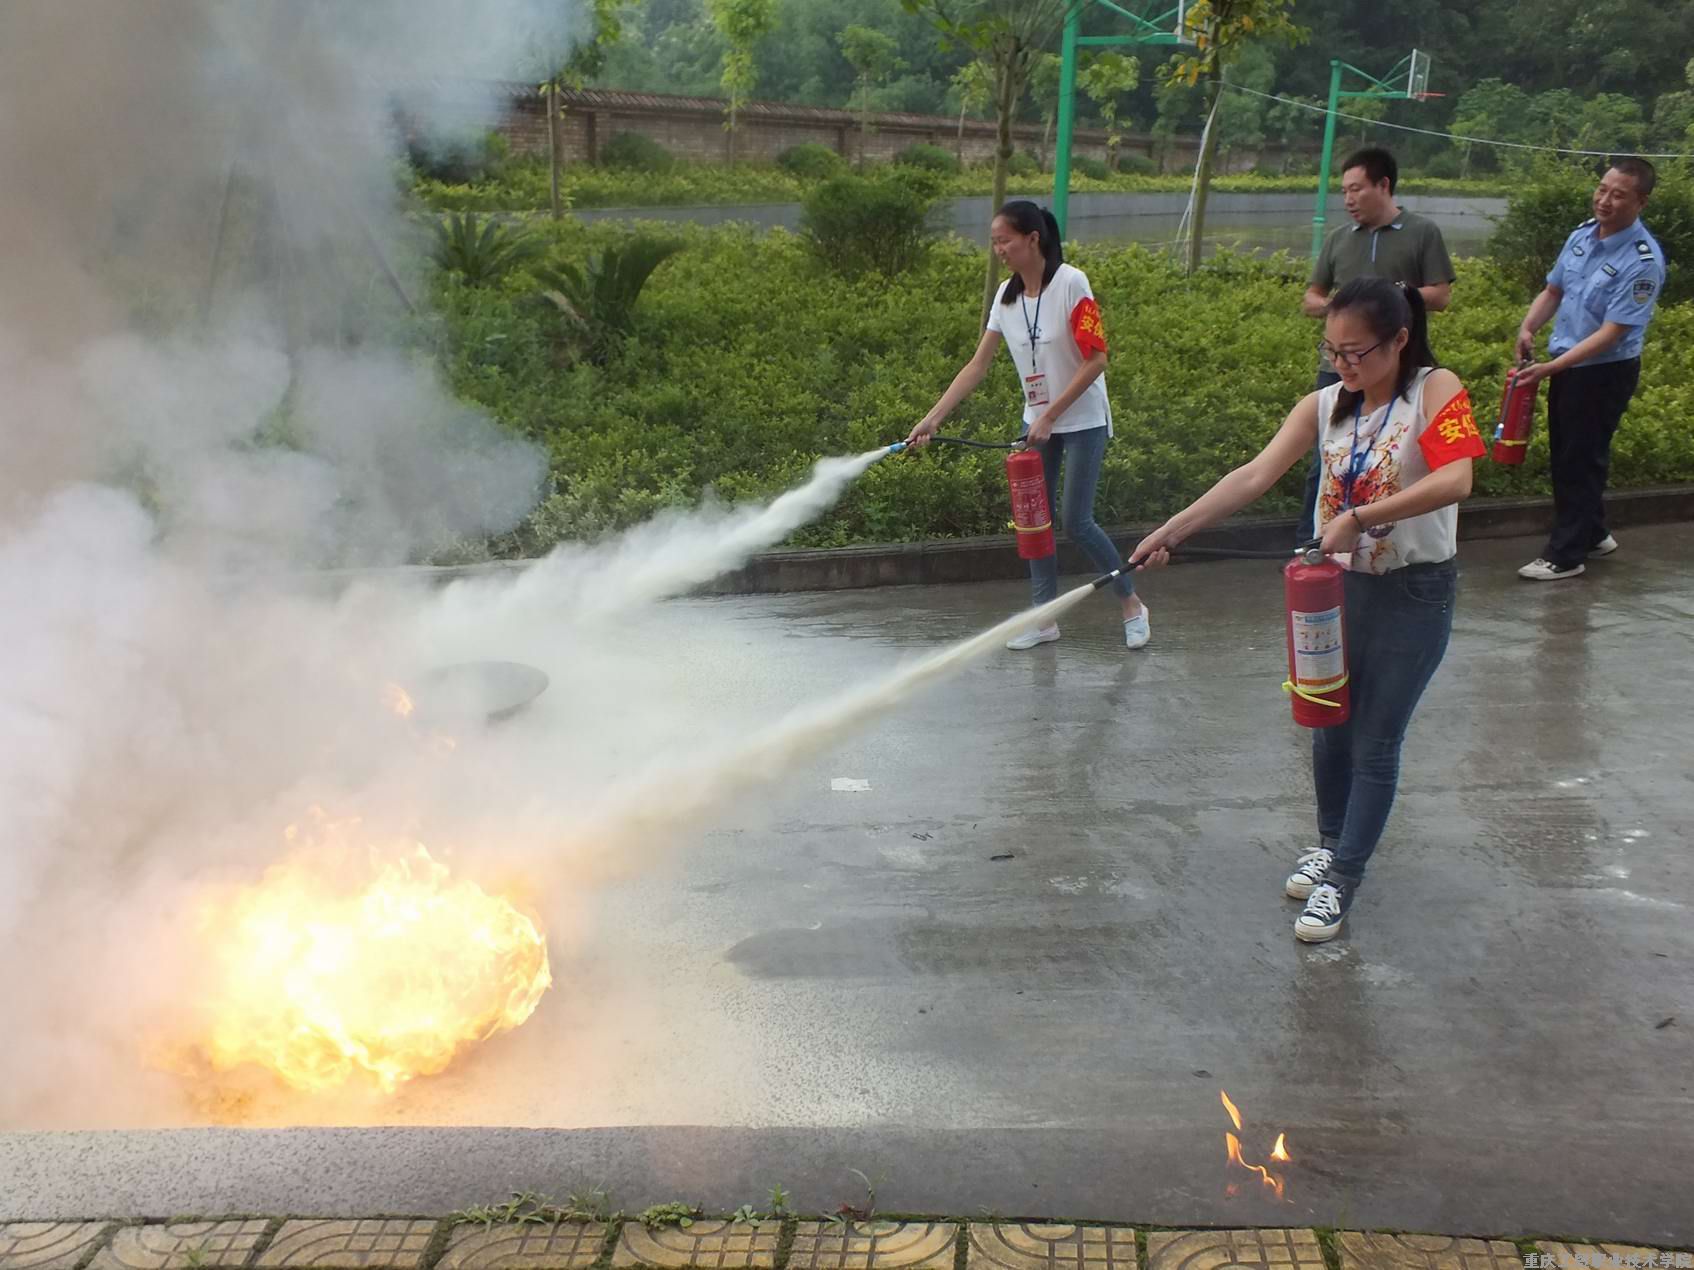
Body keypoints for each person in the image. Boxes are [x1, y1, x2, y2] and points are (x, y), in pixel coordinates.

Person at [1134, 278, 1485, 942]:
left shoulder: (1434, 390)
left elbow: (1456, 478)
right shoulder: (1325, 405)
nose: (1343, 366)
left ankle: (1344, 878)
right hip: (1336, 590)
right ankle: (1331, 843)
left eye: (1357, 353)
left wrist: (1361, 515)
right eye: (1333, 350)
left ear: (1400, 340)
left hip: (1414, 592)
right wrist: (1171, 531)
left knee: (1376, 741)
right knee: (1328, 723)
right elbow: (1252, 474)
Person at [905, 200, 1149, 650]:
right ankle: (1044, 619)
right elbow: (977, 366)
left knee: (1077, 522)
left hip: (1082, 421)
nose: (998, 248)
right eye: (994, 241)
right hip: (1036, 423)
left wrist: (1051, 414)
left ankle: (1131, 602)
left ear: (1032, 239)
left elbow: (1096, 360)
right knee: (1035, 522)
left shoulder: (1072, 284)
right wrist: (933, 419)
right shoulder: (1006, 296)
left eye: (1004, 240)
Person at [1510, 157, 1666, 581]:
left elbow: (1613, 332)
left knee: (1580, 458)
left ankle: (1566, 554)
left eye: (1619, 195)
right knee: (1569, 453)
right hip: (1565, 365)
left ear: (1641, 202)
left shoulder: (1642, 261)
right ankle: (1593, 532)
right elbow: (1553, 289)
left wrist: (1551, 366)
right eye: (1602, 189)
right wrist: (1528, 327)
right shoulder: (1581, 236)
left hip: (1602, 372)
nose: (1605, 200)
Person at [1298, 147, 1455, 540]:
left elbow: (1440, 295)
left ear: (1384, 185)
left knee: (1394, 459)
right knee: (1327, 462)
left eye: (1357, 189)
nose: (1348, 199)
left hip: (1391, 370)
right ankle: (1312, 543)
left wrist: (1397, 295)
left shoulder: (1421, 233)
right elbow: (1310, 298)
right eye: (1344, 191)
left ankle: (1376, 531)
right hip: (1346, 374)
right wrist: (1343, 311)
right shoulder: (1339, 240)